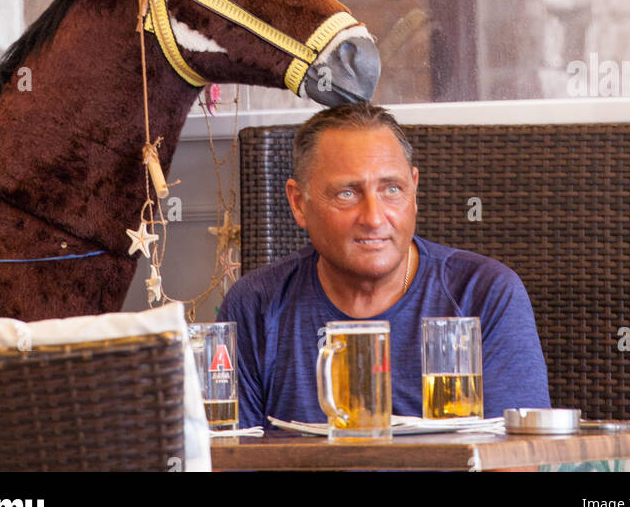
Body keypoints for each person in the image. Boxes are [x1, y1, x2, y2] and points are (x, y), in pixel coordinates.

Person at [217, 103, 551, 428]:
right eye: (347, 193)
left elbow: (516, 460)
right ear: (298, 203)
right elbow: (224, 458)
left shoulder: (483, 293)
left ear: (414, 191)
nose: (374, 218)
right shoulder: (255, 304)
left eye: (392, 189)